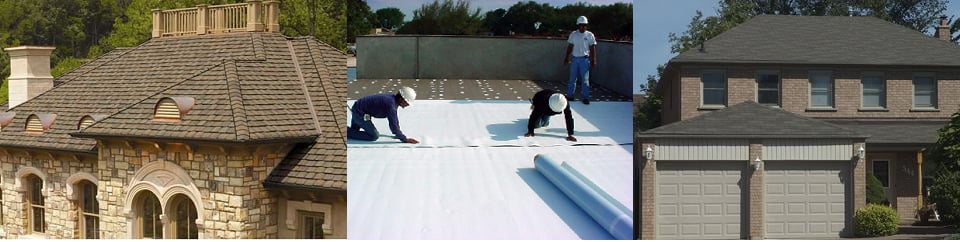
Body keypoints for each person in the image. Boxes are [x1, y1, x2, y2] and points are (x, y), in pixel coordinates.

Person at [348, 87, 420, 144]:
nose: (407, 105)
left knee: (354, 132)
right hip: (359, 113)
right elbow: (394, 126)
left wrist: (399, 135)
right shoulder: (391, 105)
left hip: (359, 109)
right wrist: (404, 139)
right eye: (407, 102)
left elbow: (395, 120)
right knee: (373, 136)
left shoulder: (392, 100)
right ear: (401, 99)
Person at [564, 15, 597, 105]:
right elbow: (570, 46)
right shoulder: (574, 34)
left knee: (585, 80)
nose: (583, 27)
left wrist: (594, 59)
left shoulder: (590, 35)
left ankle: (585, 97)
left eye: (585, 25)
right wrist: (566, 57)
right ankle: (570, 96)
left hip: (585, 60)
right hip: (575, 59)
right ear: (578, 25)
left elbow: (592, 48)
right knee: (572, 79)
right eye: (581, 25)